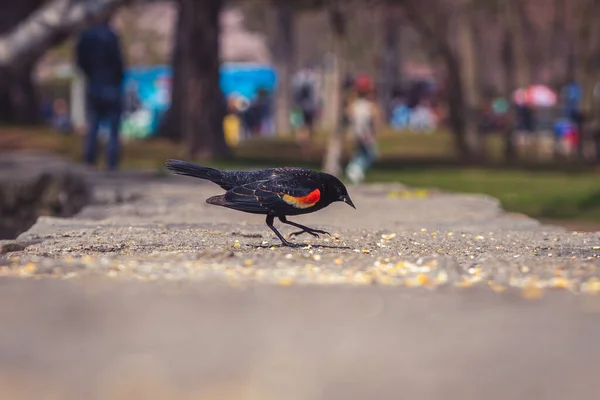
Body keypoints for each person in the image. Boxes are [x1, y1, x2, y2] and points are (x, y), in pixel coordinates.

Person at [75, 13, 125, 171]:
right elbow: (118, 61)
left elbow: (80, 61)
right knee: (113, 125)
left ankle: (90, 158)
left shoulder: (85, 36)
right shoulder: (111, 35)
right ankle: (111, 160)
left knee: (93, 122)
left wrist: (90, 74)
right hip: (111, 83)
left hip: (94, 83)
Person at [345, 74, 381, 185]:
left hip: (357, 132)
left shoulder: (354, 105)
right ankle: (355, 169)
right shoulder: (369, 106)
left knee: (361, 153)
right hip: (364, 134)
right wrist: (371, 132)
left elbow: (350, 118)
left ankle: (355, 168)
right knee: (371, 154)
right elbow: (374, 121)